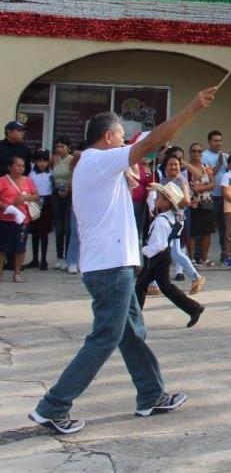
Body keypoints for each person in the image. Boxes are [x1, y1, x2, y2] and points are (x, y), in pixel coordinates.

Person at [30, 86, 215, 435]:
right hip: (109, 267)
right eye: (120, 135)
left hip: (115, 264)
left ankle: (150, 394)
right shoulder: (100, 159)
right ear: (107, 136)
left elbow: (147, 142)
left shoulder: (97, 164)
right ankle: (53, 406)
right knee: (105, 337)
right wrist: (192, 107)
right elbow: (147, 144)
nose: (125, 141)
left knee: (132, 334)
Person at [135, 182, 204, 328]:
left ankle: (134, 319)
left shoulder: (161, 220)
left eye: (159, 197)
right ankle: (193, 308)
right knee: (162, 286)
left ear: (167, 202)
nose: (155, 199)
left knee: (140, 286)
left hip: (156, 257)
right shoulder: (173, 217)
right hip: (163, 256)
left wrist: (144, 251)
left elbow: (160, 245)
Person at [156, 154, 203, 295]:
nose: (174, 167)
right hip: (165, 219)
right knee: (172, 251)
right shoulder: (162, 181)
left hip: (176, 220)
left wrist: (169, 201)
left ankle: (152, 283)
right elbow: (159, 203)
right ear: (165, 167)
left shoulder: (182, 180)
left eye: (176, 164)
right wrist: (167, 202)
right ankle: (196, 277)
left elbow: (187, 201)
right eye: (170, 164)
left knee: (166, 250)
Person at [1, 154, 38, 282]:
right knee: (2, 248)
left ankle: (17, 273)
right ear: (10, 167)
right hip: (5, 219)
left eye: (22, 166)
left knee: (20, 247)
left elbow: (36, 196)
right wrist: (6, 206)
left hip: (23, 219)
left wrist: (25, 198)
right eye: (18, 165)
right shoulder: (2, 180)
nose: (21, 168)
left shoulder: (28, 180)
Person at [184, 143, 215, 266]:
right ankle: (191, 258)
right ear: (190, 153)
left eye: (199, 151)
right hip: (192, 204)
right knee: (192, 232)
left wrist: (201, 187)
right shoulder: (186, 167)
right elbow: (189, 186)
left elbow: (213, 184)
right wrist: (203, 187)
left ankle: (204, 258)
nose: (197, 153)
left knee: (207, 231)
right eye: (194, 151)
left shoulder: (206, 166)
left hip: (206, 202)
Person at [200, 130, 228, 263]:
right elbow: (209, 175)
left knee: (225, 226)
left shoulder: (225, 156)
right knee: (206, 227)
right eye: (215, 140)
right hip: (209, 197)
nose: (218, 143)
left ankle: (225, 253)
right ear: (209, 142)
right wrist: (220, 163)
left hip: (225, 196)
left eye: (220, 140)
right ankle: (200, 255)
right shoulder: (204, 156)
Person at [28, 149, 53, 270]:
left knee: (44, 233)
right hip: (34, 202)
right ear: (35, 161)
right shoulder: (31, 175)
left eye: (45, 161)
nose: (42, 164)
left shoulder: (51, 174)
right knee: (35, 233)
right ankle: (34, 259)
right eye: (39, 161)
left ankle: (43, 259)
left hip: (47, 202)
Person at [50, 138, 73, 270]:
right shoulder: (53, 159)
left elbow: (74, 175)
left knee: (67, 228)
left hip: (68, 194)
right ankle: (59, 256)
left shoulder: (71, 159)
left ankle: (68, 257)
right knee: (58, 228)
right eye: (57, 147)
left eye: (62, 146)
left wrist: (67, 189)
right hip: (56, 194)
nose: (59, 149)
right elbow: (52, 176)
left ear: (68, 147)